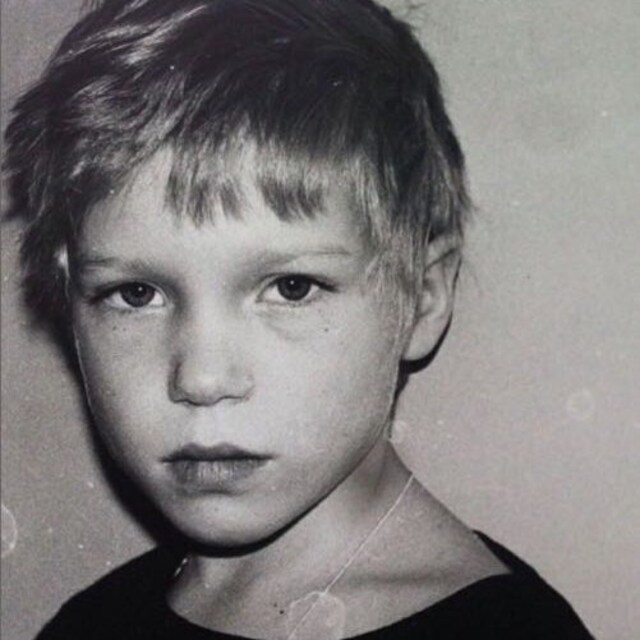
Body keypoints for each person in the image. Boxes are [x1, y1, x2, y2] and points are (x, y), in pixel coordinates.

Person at [4, 1, 595, 638]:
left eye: (291, 288)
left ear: (423, 295)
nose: (202, 379)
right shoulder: (90, 622)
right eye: (137, 293)